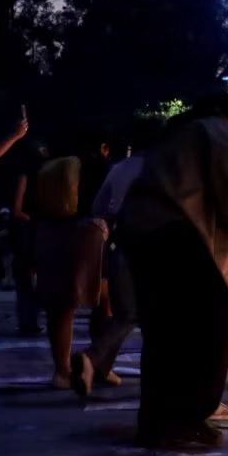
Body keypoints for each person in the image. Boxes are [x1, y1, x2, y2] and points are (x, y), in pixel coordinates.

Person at [118, 88, 228, 450]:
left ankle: (162, 422)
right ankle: (183, 420)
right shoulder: (218, 135)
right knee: (208, 327)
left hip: (149, 234)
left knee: (168, 333)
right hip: (171, 237)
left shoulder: (192, 131)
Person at [70, 119, 162, 397]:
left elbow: (99, 207)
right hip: (151, 247)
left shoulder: (119, 168)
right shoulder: (160, 169)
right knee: (143, 314)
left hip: (119, 245)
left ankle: (98, 365)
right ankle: (93, 356)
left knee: (125, 312)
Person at [33, 141, 109, 389]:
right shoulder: (89, 167)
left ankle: (62, 370)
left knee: (60, 308)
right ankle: (98, 361)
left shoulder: (47, 170)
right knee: (105, 296)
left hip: (48, 232)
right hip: (84, 234)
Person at [11, 138, 50, 335]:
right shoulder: (26, 176)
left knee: (33, 279)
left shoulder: (43, 175)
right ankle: (28, 322)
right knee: (27, 278)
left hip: (37, 230)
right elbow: (17, 210)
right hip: (30, 231)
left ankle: (30, 321)